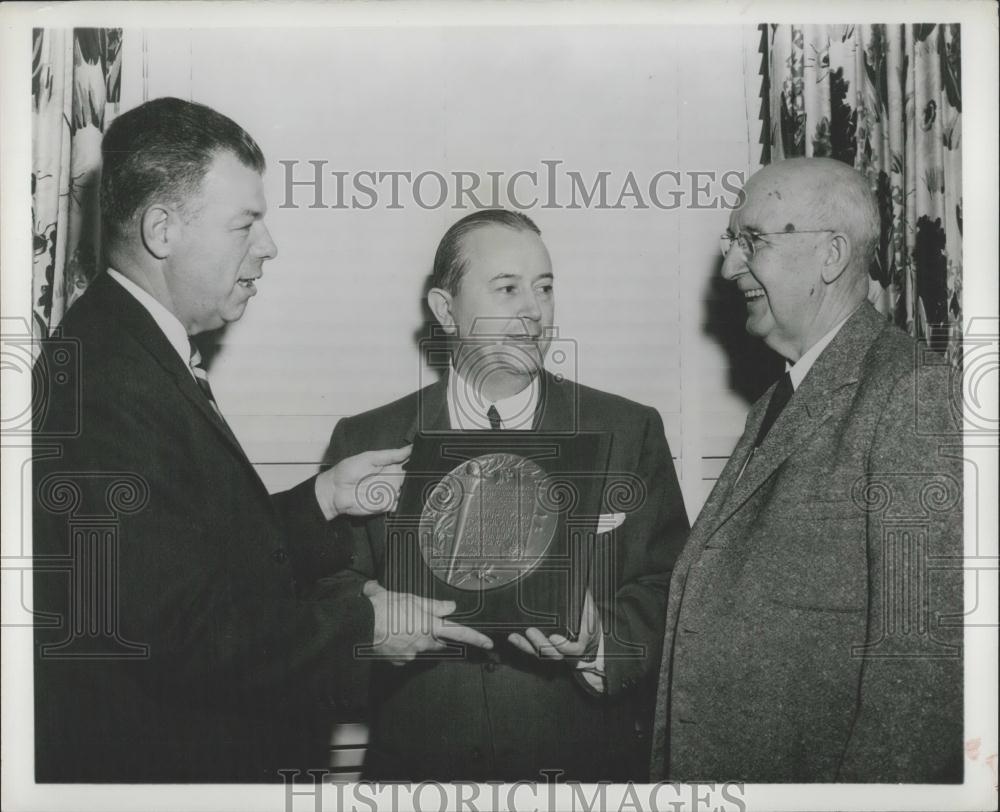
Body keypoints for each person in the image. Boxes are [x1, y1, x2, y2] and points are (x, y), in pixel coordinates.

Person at [31, 97, 479, 783]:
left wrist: (323, 500)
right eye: (245, 225)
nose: (268, 247)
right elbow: (174, 634)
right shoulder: (107, 380)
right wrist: (364, 632)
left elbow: (186, 556)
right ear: (161, 231)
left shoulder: (130, 346)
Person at [323, 209, 690, 781]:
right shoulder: (366, 439)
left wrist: (600, 641)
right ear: (446, 310)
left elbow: (672, 584)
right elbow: (327, 588)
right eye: (507, 288)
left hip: (581, 770)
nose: (532, 311)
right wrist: (369, 614)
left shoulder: (627, 429)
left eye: (544, 288)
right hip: (422, 772)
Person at [649, 157, 963, 783]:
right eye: (731, 242)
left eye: (752, 241)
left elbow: (922, 676)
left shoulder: (911, 392)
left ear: (831, 255)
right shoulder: (782, 398)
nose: (728, 265)